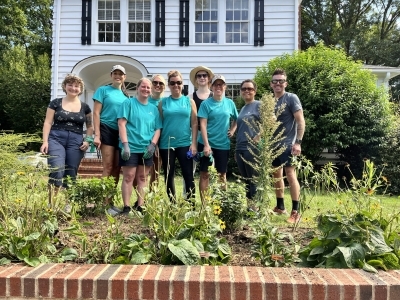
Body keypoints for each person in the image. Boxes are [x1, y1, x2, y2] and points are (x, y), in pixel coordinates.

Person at [40, 74, 93, 205]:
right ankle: (51, 205)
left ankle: (69, 205)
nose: (73, 88)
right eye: (70, 85)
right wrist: (45, 141)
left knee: (71, 173)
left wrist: (87, 141)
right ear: (65, 86)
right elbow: (47, 122)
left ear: (80, 89)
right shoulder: (55, 103)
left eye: (77, 86)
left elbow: (90, 126)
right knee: (57, 169)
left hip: (76, 141)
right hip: (56, 138)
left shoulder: (85, 107)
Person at [118, 78, 162, 214]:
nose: (146, 89)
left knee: (143, 178)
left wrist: (153, 145)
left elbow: (157, 129)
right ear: (137, 88)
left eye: (148, 88)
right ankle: (126, 206)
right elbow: (121, 124)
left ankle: (140, 206)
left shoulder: (153, 109)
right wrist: (125, 145)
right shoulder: (128, 103)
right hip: (130, 148)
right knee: (128, 177)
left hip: (146, 149)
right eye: (143, 87)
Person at [270, 68, 306, 224]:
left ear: (286, 83)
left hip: (287, 144)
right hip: (273, 144)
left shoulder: (291, 98)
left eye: (281, 81)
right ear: (271, 84)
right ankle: (280, 207)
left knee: (290, 175)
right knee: (276, 175)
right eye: (275, 81)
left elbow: (300, 121)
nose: (278, 83)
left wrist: (298, 142)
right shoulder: (271, 101)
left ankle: (295, 212)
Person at [93, 65, 129, 214]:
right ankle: (103, 203)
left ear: (124, 77)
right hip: (106, 129)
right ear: (111, 75)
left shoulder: (126, 97)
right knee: (107, 166)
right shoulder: (103, 90)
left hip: (119, 132)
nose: (118, 76)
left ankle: (110, 201)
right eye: (115, 73)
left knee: (116, 168)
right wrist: (97, 135)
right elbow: (96, 113)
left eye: (120, 74)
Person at [158, 70, 198, 202]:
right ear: (169, 85)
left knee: (188, 175)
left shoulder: (189, 102)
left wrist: (193, 144)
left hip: (185, 144)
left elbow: (194, 123)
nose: (176, 85)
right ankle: (172, 205)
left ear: (183, 84)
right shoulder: (162, 103)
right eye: (173, 83)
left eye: (179, 82)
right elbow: (160, 124)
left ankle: (190, 205)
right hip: (166, 144)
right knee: (169, 176)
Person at [198, 74, 238, 200]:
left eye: (221, 84)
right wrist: (206, 144)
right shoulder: (206, 104)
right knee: (205, 174)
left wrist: (232, 130)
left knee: (222, 175)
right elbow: (202, 125)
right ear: (212, 86)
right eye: (216, 84)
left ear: (225, 87)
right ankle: (204, 206)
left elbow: (237, 119)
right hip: (206, 144)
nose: (218, 87)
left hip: (222, 144)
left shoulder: (230, 103)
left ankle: (222, 204)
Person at [182, 66, 214, 196]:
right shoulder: (190, 97)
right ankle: (187, 198)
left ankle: (209, 201)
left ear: (208, 79)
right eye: (199, 76)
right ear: (195, 79)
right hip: (193, 136)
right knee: (190, 169)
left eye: (204, 75)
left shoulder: (214, 96)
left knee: (209, 172)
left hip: (210, 138)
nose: (202, 78)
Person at [235, 79, 261, 203]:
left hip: (252, 148)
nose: (247, 91)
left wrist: (259, 136)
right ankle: (249, 207)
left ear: (255, 91)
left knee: (253, 179)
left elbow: (272, 120)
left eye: (250, 89)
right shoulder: (243, 108)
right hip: (240, 147)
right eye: (244, 89)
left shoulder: (259, 105)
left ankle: (255, 209)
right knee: (246, 180)